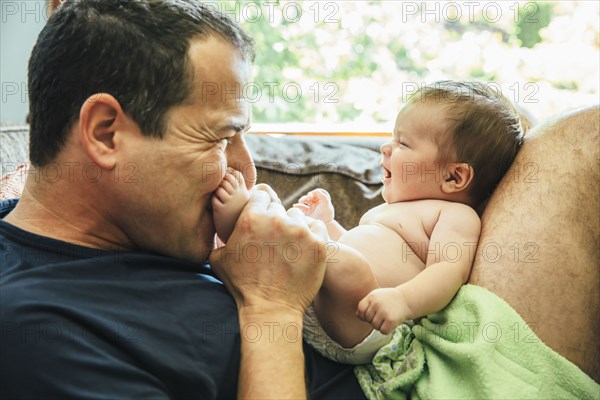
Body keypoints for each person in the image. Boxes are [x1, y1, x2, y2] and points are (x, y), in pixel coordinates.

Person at [0, 1, 365, 399]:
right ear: (106, 133)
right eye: (219, 139)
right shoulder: (39, 330)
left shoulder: (157, 231)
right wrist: (272, 307)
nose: (246, 173)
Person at [212, 82, 524, 364]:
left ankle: (267, 229)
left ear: (454, 176)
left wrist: (402, 301)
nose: (385, 148)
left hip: (365, 321)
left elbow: (447, 271)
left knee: (341, 263)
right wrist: (332, 224)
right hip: (307, 300)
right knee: (268, 198)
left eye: (403, 143)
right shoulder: (388, 210)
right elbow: (358, 246)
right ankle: (243, 227)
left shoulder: (455, 216)